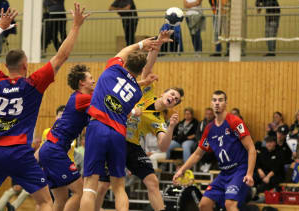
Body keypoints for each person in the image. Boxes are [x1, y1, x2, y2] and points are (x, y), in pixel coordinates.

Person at [0, 3, 88, 211]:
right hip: (20, 153)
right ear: (25, 66)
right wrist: (76, 26)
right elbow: (61, 56)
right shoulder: (33, 83)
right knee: (44, 202)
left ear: (6, 66)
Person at [95, 31, 182, 211]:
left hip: (132, 146)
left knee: (152, 181)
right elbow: (147, 66)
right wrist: (157, 45)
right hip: (116, 137)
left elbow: (164, 146)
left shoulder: (159, 120)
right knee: (103, 185)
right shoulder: (147, 89)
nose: (173, 98)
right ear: (163, 92)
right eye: (172, 94)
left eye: (176, 99)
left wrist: (172, 126)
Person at [78, 29, 163, 211]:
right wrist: (143, 82)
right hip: (118, 135)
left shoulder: (113, 68)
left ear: (125, 64)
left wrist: (141, 45)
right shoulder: (137, 93)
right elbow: (126, 84)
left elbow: (123, 52)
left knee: (89, 185)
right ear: (140, 70)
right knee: (118, 187)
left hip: (98, 127)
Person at [173, 90, 256, 210]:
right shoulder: (209, 128)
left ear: (226, 103)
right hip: (224, 173)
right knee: (204, 204)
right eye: (214, 100)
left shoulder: (234, 122)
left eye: (220, 100)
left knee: (230, 204)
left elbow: (251, 148)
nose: (217, 103)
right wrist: (182, 170)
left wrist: (249, 173)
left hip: (239, 170)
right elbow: (197, 154)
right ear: (211, 104)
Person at [37, 64, 95, 211]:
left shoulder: (80, 99)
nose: (94, 81)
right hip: (54, 151)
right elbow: (106, 95)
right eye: (91, 78)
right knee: (80, 192)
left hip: (50, 150)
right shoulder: (81, 98)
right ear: (82, 82)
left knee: (61, 199)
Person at [196, 107, 216, 172]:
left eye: (210, 114)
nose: (208, 115)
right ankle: (203, 164)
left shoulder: (216, 122)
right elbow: (198, 133)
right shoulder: (201, 123)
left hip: (212, 141)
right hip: (202, 141)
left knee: (208, 148)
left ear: (213, 115)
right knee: (197, 148)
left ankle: (208, 163)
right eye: (207, 114)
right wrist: (199, 140)